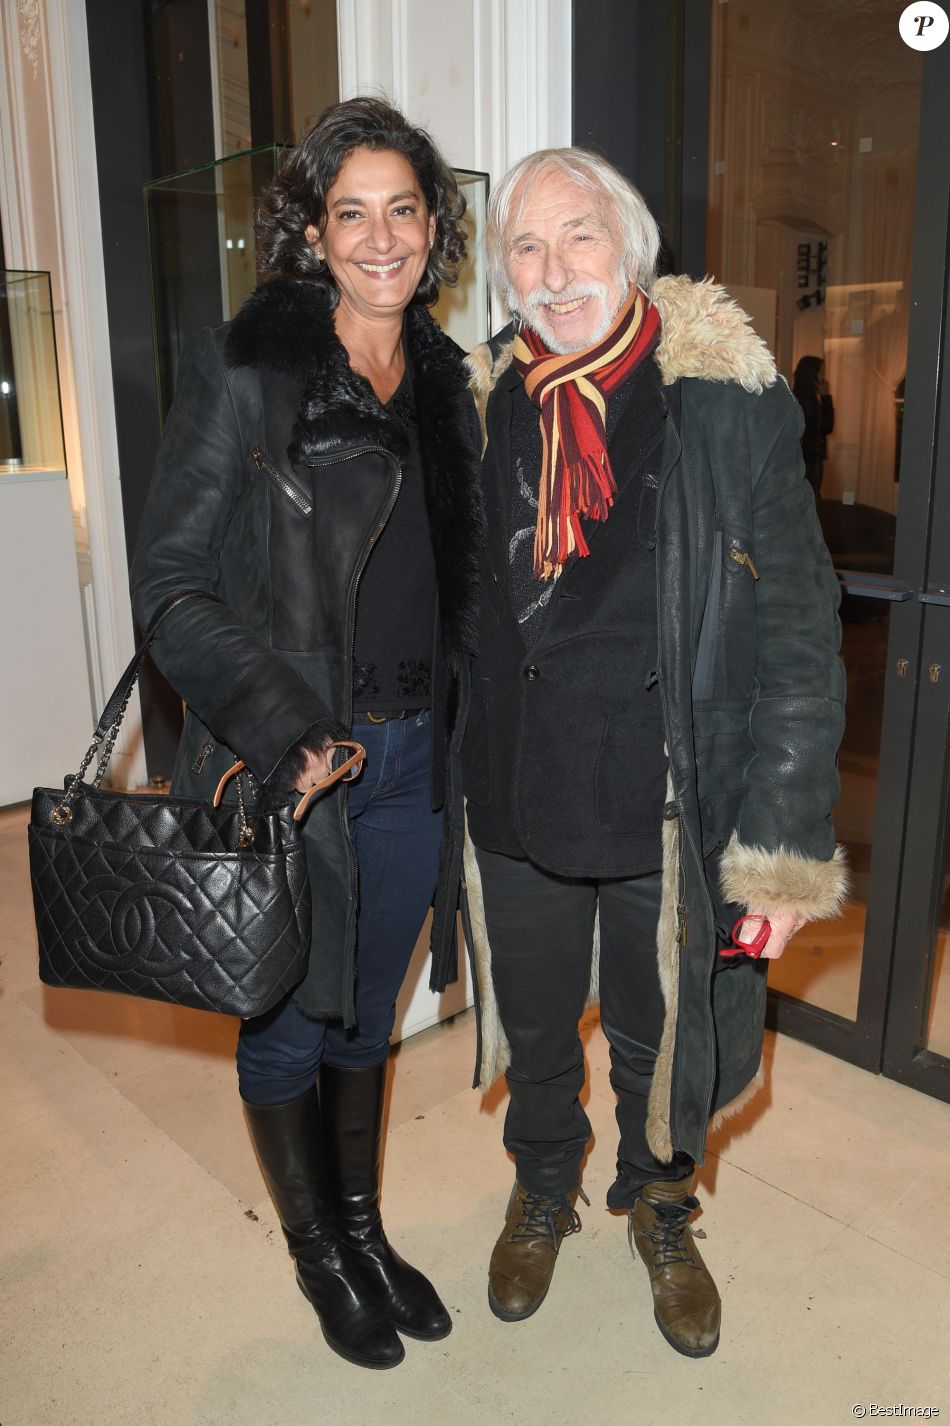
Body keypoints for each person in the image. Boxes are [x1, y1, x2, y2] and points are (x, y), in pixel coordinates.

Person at [457, 148, 847, 1358]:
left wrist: (779, 853)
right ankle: (541, 1179)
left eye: (577, 238)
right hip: (516, 782)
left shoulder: (724, 403)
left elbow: (794, 628)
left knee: (655, 1032)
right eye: (525, 246)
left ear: (627, 249)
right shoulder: (477, 404)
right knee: (531, 1029)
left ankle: (660, 1202)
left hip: (664, 789)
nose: (553, 269)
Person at [130, 98, 483, 1371]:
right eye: (351, 212)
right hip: (299, 763)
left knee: (365, 1019)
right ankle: (315, 1253)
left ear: (433, 226)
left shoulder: (445, 381)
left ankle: (361, 1224)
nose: (379, 236)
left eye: (402, 208)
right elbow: (171, 584)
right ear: (312, 230)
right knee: (284, 1018)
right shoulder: (250, 373)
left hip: (409, 764)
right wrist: (287, 731)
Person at [793, 354, 835, 496]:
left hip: (804, 459)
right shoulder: (807, 401)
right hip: (809, 460)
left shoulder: (796, 396)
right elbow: (827, 426)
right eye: (821, 374)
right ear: (812, 376)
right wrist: (826, 397)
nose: (824, 379)